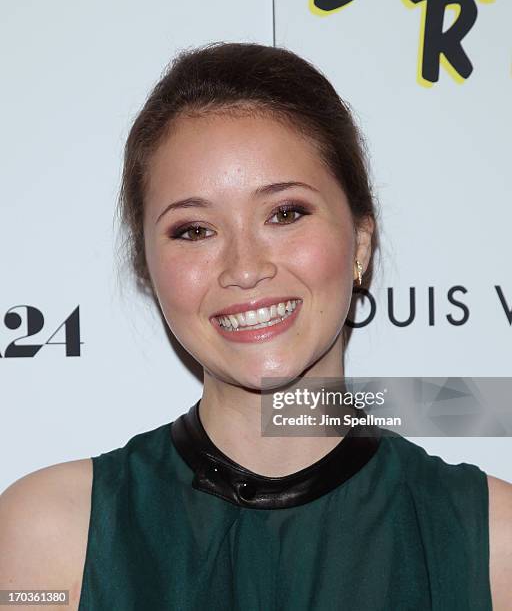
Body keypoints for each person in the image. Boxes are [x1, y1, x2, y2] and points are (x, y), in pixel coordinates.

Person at [0, 41, 511, 611]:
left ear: (361, 242)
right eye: (194, 230)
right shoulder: (52, 537)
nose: (244, 269)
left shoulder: (495, 545)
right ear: (148, 267)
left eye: (285, 213)